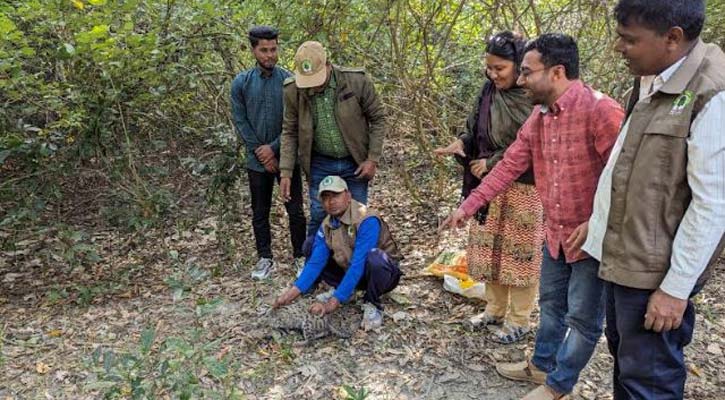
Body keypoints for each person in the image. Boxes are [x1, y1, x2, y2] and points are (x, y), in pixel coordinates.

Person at [439, 34, 624, 400]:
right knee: (551, 306)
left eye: (527, 72)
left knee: (584, 321)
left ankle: (557, 387)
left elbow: (625, 177)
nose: (521, 80)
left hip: (592, 239)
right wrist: (467, 207)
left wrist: (597, 220)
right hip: (554, 233)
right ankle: (541, 366)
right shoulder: (539, 117)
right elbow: (508, 166)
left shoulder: (601, 111)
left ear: (556, 72)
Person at [578, 1, 725, 398]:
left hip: (654, 275)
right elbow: (633, 170)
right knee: (628, 367)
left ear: (672, 38)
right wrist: (595, 226)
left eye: (629, 40)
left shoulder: (712, 95)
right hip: (625, 259)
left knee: (650, 382)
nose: (618, 48)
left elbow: (713, 205)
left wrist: (675, 290)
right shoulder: (656, 74)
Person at [434, 31, 541, 344]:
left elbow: (532, 145)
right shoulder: (487, 91)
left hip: (525, 187)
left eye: (500, 69)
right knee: (491, 251)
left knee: (520, 255)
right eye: (489, 68)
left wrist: (493, 162)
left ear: (519, 65)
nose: (493, 75)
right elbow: (475, 131)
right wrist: (462, 144)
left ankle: (519, 319)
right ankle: (494, 309)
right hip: (488, 187)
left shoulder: (532, 95)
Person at [278, 41, 386, 254]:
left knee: (355, 213)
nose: (313, 86)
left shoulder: (355, 81)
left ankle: (353, 263)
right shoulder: (293, 91)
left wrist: (372, 158)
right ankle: (313, 263)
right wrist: (286, 171)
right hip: (320, 161)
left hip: (354, 159)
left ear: (328, 65)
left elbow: (378, 118)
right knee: (319, 212)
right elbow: (289, 131)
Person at [273, 175, 402, 331]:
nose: (331, 201)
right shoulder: (327, 224)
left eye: (336, 195)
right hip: (352, 270)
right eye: (326, 197)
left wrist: (333, 303)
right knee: (310, 245)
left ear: (348, 196)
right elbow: (315, 263)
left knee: (375, 258)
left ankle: (372, 302)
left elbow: (359, 263)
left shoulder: (366, 219)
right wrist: (290, 294)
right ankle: (346, 291)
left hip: (382, 275)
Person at [230, 26, 306, 280]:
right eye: (264, 50)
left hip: (286, 157)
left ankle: (300, 256)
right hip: (255, 160)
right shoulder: (241, 83)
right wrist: (261, 152)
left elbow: (292, 123)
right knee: (259, 211)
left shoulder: (289, 81)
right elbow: (240, 121)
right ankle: (265, 258)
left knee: (295, 210)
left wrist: (272, 149)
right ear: (253, 50)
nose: (269, 55)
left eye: (273, 49)